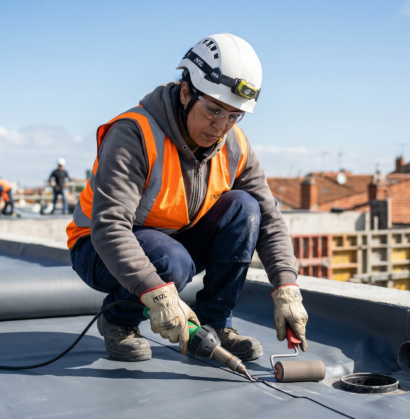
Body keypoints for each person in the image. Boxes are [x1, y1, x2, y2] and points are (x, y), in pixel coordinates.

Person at [67, 34, 308, 362]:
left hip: (170, 242)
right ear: (185, 92)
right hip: (97, 249)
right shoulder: (134, 133)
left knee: (245, 208)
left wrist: (286, 286)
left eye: (234, 115)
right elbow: (109, 227)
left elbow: (267, 216)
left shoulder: (234, 144)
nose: (221, 126)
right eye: (213, 110)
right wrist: (156, 293)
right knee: (171, 261)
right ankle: (117, 321)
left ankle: (217, 323)